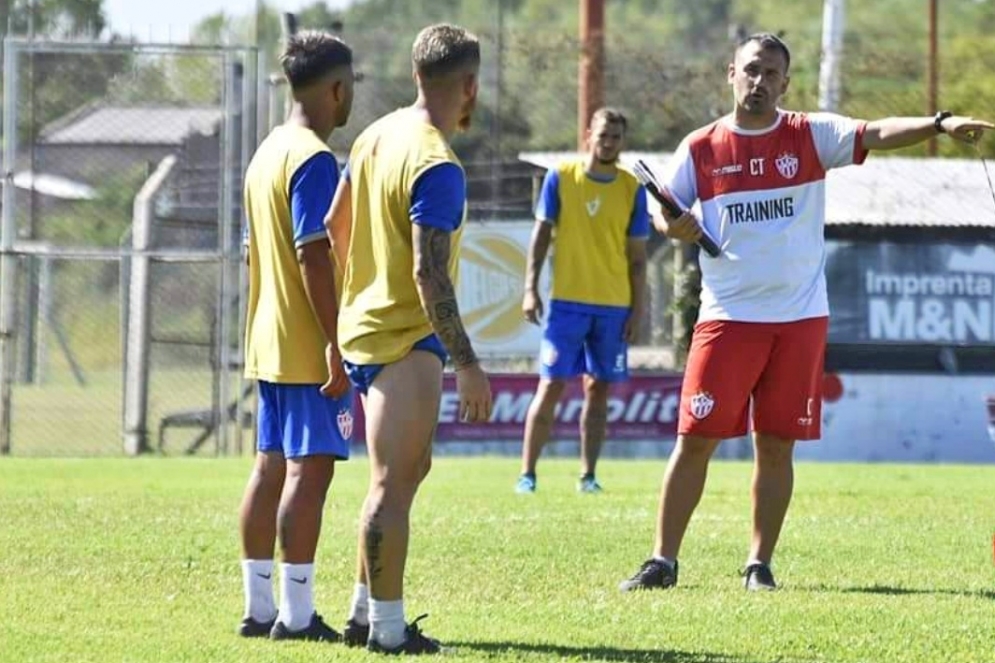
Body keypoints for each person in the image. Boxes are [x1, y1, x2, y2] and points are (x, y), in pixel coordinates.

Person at [619, 32, 993, 592]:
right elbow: (661, 209)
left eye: (771, 73)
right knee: (695, 438)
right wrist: (669, 223)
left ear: (785, 82)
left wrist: (938, 123)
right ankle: (662, 561)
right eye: (750, 70)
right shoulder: (701, 146)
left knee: (775, 443)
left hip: (799, 321)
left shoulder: (809, 134)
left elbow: (876, 132)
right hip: (726, 318)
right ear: (730, 73)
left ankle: (758, 565)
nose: (759, 81)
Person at [324, 23, 492, 655]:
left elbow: (335, 226)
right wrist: (469, 363)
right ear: (469, 85)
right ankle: (388, 635)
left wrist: (356, 296)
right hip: (403, 341)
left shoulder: (376, 133)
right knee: (393, 485)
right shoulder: (436, 164)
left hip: (364, 331)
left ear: (418, 74)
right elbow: (428, 273)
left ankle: (365, 614)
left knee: (406, 472)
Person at [237, 31, 356, 640]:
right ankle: (298, 616)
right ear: (337, 88)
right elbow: (313, 254)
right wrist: (336, 341)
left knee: (270, 469)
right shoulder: (313, 158)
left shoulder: (266, 152)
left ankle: (259, 609)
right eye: (352, 86)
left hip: (267, 338)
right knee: (311, 473)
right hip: (308, 344)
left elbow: (255, 254)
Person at [515, 108, 650, 494]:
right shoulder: (562, 177)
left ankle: (588, 475)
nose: (608, 143)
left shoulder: (631, 188)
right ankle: (528, 474)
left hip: (613, 306)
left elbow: (637, 258)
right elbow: (541, 236)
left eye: (616, 138)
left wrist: (637, 310)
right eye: (603, 135)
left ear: (623, 142)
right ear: (589, 134)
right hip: (567, 305)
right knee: (552, 385)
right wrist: (530, 288)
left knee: (598, 389)